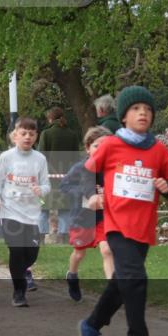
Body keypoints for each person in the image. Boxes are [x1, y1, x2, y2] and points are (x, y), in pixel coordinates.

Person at [77, 86, 168, 336]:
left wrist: (167, 186)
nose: (143, 114)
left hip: (143, 228)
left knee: (121, 284)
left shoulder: (158, 149)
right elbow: (86, 173)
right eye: (136, 109)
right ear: (123, 116)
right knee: (136, 279)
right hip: (117, 225)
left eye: (148, 110)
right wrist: (92, 196)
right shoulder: (110, 145)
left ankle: (91, 325)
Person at [0, 116, 50, 307]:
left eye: (31, 134)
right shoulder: (6, 157)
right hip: (10, 211)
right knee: (16, 250)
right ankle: (19, 292)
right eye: (23, 133)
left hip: (32, 214)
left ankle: (22, 271)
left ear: (36, 136)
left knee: (31, 254)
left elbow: (46, 184)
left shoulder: (40, 159)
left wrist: (41, 190)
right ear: (15, 135)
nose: (27, 137)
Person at [61, 126, 115, 302]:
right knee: (79, 253)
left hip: (104, 217)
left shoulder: (113, 168)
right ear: (87, 148)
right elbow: (65, 186)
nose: (101, 150)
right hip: (82, 217)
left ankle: (113, 291)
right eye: (97, 146)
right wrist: (84, 193)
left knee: (107, 250)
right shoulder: (80, 167)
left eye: (106, 146)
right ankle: (72, 275)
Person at [36, 107, 81, 245]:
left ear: (50, 119)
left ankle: (41, 238)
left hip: (47, 178)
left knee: (43, 209)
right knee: (64, 209)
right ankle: (64, 238)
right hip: (66, 178)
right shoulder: (72, 135)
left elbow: (40, 157)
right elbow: (76, 157)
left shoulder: (46, 134)